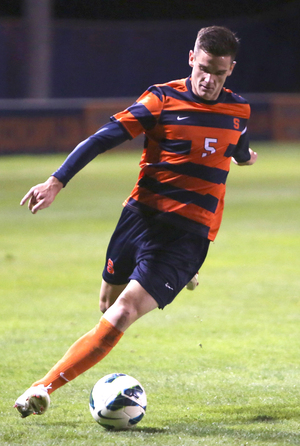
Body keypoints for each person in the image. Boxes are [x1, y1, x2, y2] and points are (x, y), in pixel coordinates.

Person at [14, 25, 257, 418]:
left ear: (231, 69)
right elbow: (102, 138)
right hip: (139, 217)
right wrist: (56, 180)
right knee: (107, 303)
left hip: (188, 233)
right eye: (205, 68)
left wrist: (246, 158)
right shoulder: (161, 99)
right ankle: (181, 274)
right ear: (192, 58)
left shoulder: (239, 110)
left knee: (123, 311)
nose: (209, 80)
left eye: (220, 73)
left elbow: (240, 147)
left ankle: (42, 388)